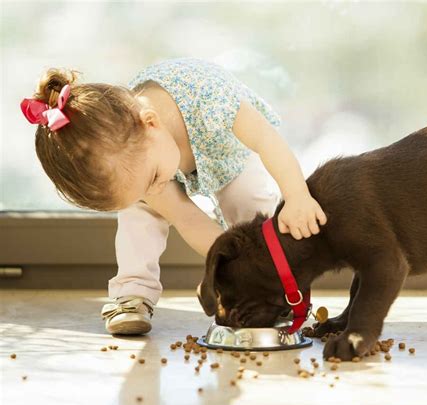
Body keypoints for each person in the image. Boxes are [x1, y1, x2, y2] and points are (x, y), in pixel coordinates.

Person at [20, 57, 327, 335]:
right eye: (142, 190)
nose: (153, 191)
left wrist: (297, 194)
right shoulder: (140, 163)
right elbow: (186, 218)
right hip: (155, 157)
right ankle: (132, 292)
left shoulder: (212, 101)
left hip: (227, 150)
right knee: (139, 216)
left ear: (151, 123)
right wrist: (224, 268)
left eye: (152, 180)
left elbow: (266, 140)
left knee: (250, 202)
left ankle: (272, 290)